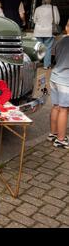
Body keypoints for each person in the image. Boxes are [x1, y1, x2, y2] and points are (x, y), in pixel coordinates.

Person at [48, 20, 69, 149]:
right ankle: (61, 140)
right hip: (65, 81)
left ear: (67, 27)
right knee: (64, 110)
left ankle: (53, 134)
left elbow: (53, 55)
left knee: (56, 107)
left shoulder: (59, 39)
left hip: (54, 77)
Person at [33, 0, 60, 69]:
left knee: (38, 48)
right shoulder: (54, 8)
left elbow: (34, 20)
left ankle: (37, 63)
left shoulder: (38, 8)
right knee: (48, 48)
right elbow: (57, 21)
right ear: (50, 1)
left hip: (38, 31)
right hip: (49, 31)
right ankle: (46, 65)